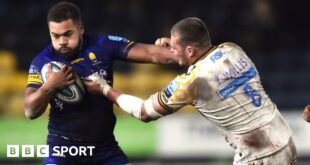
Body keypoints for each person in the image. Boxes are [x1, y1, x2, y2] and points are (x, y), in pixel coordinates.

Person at [85, 17, 297, 165]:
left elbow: (143, 112)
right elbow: (203, 62)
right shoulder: (232, 49)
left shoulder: (190, 83)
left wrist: (105, 89)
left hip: (259, 156)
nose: (170, 52)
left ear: (190, 50)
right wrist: (178, 48)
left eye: (174, 48)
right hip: (284, 138)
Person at [24, 2, 178, 165]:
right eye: (55, 35)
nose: (62, 41)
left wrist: (180, 51)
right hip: (62, 149)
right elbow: (30, 111)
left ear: (81, 28)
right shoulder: (43, 62)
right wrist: (50, 86)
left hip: (105, 149)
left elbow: (151, 53)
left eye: (68, 34)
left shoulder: (103, 45)